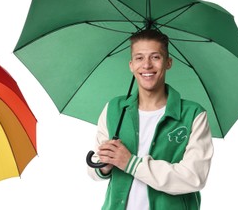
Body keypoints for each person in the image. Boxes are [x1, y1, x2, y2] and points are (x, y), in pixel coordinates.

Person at [89, 29, 213, 210]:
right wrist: (104, 165)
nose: (146, 65)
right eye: (139, 58)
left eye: (155, 57)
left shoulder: (193, 115)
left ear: (168, 62)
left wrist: (130, 163)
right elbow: (94, 168)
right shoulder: (114, 109)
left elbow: (194, 177)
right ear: (131, 65)